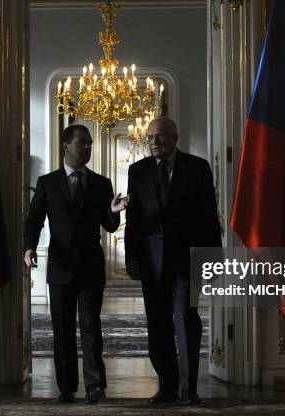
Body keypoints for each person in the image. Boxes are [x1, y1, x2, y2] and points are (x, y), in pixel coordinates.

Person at [24, 124, 129, 405]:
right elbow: (34, 219)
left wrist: (114, 211)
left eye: (90, 143)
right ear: (65, 146)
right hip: (60, 267)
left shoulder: (101, 183)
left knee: (91, 328)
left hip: (91, 267)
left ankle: (95, 386)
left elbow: (109, 225)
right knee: (62, 330)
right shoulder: (48, 183)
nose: (87, 148)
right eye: (82, 143)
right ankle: (67, 387)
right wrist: (29, 248)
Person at [125, 117, 221, 406]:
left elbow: (209, 217)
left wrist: (212, 259)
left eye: (161, 137)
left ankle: (188, 389)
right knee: (157, 324)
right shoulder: (137, 170)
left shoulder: (197, 167)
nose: (154, 142)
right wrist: (131, 257)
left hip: (187, 260)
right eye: (150, 137)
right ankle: (166, 386)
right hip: (151, 261)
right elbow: (134, 220)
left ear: (175, 139)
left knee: (185, 320)